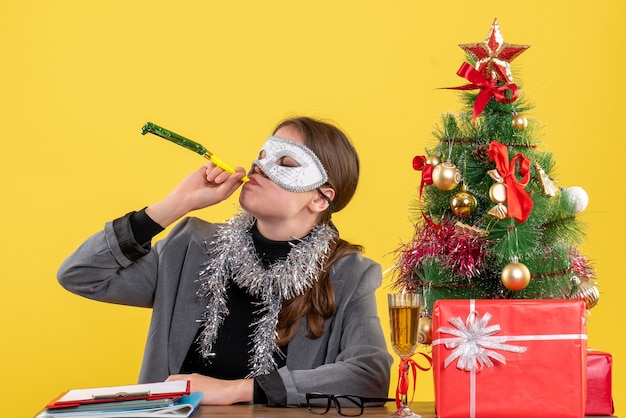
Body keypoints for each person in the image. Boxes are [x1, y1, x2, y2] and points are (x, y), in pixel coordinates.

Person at [57, 116, 393, 407]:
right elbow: (81, 275)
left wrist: (237, 391)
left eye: (287, 163)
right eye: (262, 156)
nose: (261, 166)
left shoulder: (349, 275)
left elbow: (370, 375)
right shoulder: (190, 247)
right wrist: (175, 205)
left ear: (321, 199)